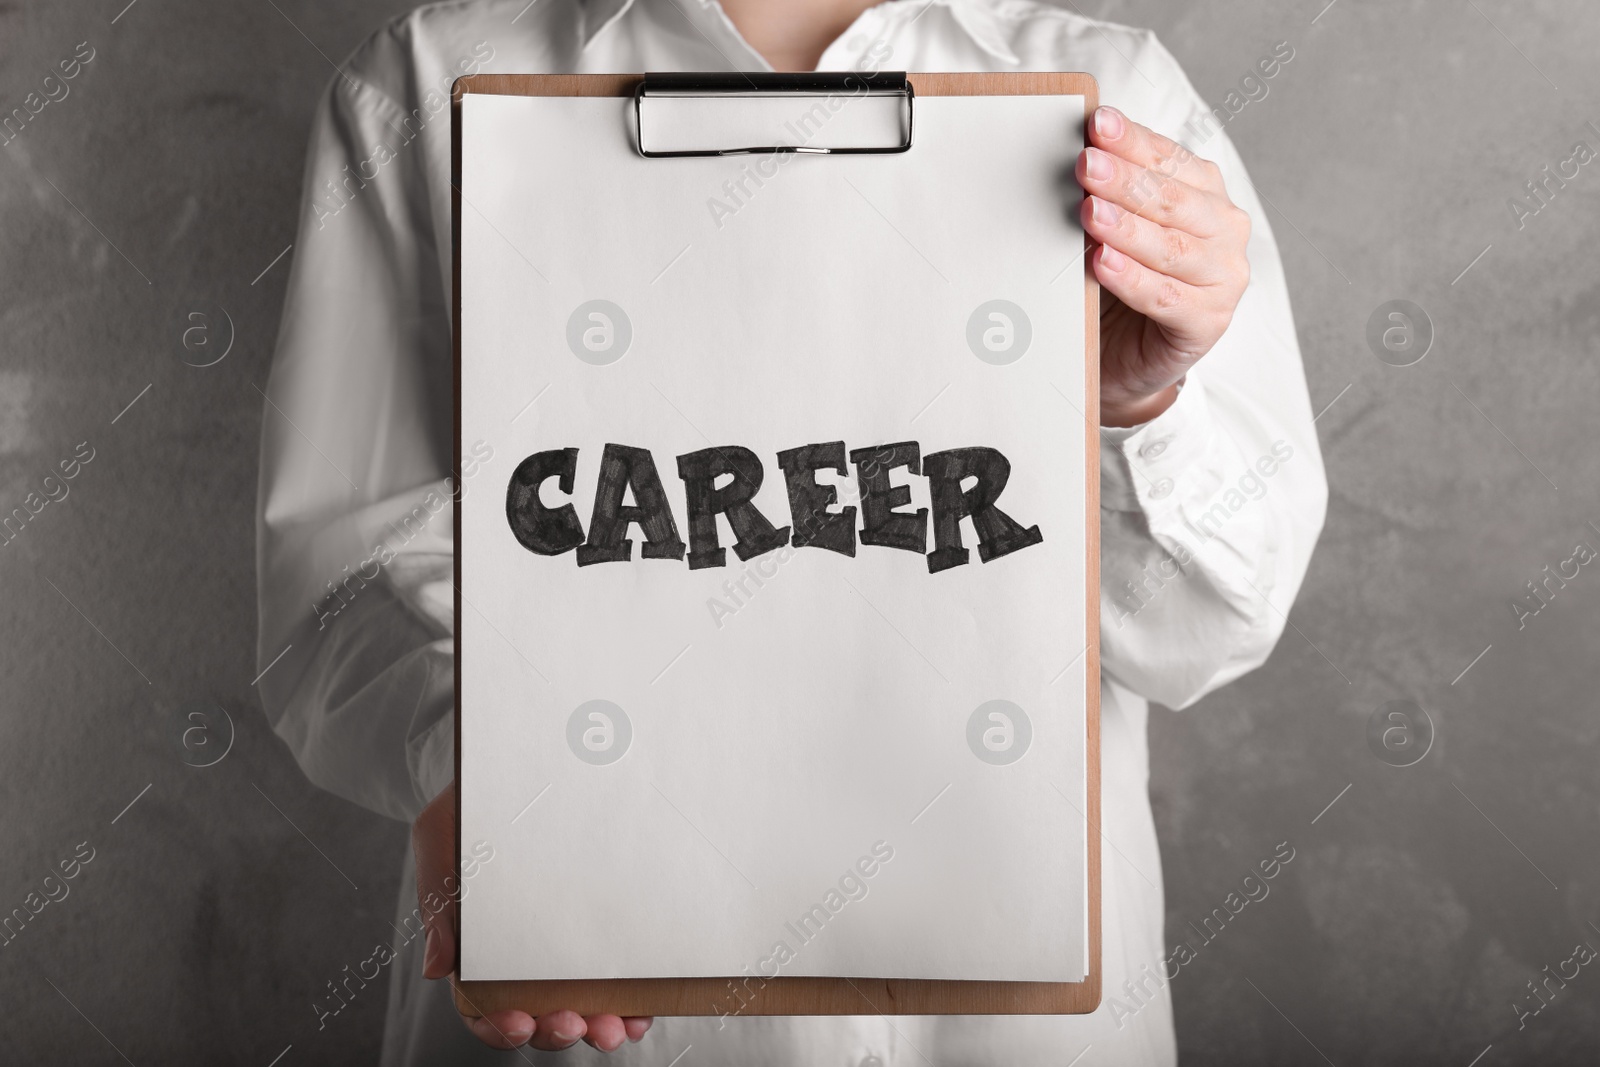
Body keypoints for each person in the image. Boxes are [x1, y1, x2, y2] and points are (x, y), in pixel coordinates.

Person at [256, 0, 1327, 1062]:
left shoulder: (1117, 99)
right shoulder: (428, 82)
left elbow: (1203, 629)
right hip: (595, 1006)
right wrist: (477, 762)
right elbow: (341, 573)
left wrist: (1139, 410)